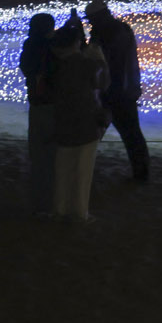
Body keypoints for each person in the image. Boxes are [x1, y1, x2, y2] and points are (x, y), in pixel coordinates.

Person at [48, 12, 109, 223]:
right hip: (86, 123)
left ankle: (60, 208)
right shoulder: (86, 64)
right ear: (75, 44)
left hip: (62, 121)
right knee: (83, 170)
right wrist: (97, 56)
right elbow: (103, 82)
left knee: (63, 168)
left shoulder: (55, 67)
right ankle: (80, 212)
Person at [86, 0, 148, 184]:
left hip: (112, 91)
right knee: (132, 135)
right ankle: (142, 173)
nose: (89, 23)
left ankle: (83, 172)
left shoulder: (103, 33)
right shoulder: (122, 28)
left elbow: (97, 60)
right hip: (126, 90)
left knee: (92, 134)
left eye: (91, 19)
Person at [19, 12, 58, 215]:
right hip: (51, 104)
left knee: (38, 153)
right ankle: (49, 201)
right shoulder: (52, 47)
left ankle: (39, 200)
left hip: (37, 102)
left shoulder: (30, 44)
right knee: (51, 154)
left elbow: (25, 68)